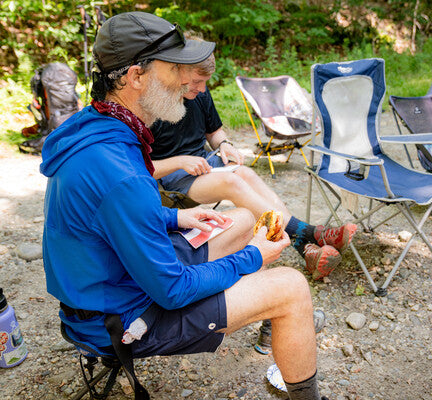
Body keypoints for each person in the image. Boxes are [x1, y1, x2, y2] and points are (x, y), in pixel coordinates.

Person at [40, 12, 328, 400]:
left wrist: (175, 216)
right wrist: (254, 258)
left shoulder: (95, 128)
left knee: (241, 219)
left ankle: (257, 307)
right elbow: (172, 290)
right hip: (117, 316)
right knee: (291, 287)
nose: (186, 81)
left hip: (112, 279)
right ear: (136, 76)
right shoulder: (120, 171)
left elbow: (104, 217)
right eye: (176, 69)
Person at [149, 41, 357, 282]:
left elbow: (215, 132)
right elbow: (142, 170)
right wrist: (179, 162)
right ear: (178, 72)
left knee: (246, 175)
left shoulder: (200, 95)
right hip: (172, 179)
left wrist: (225, 145)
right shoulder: (154, 106)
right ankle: (312, 233)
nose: (203, 89)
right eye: (197, 82)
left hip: (205, 164)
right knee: (232, 182)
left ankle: (305, 247)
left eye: (206, 82)